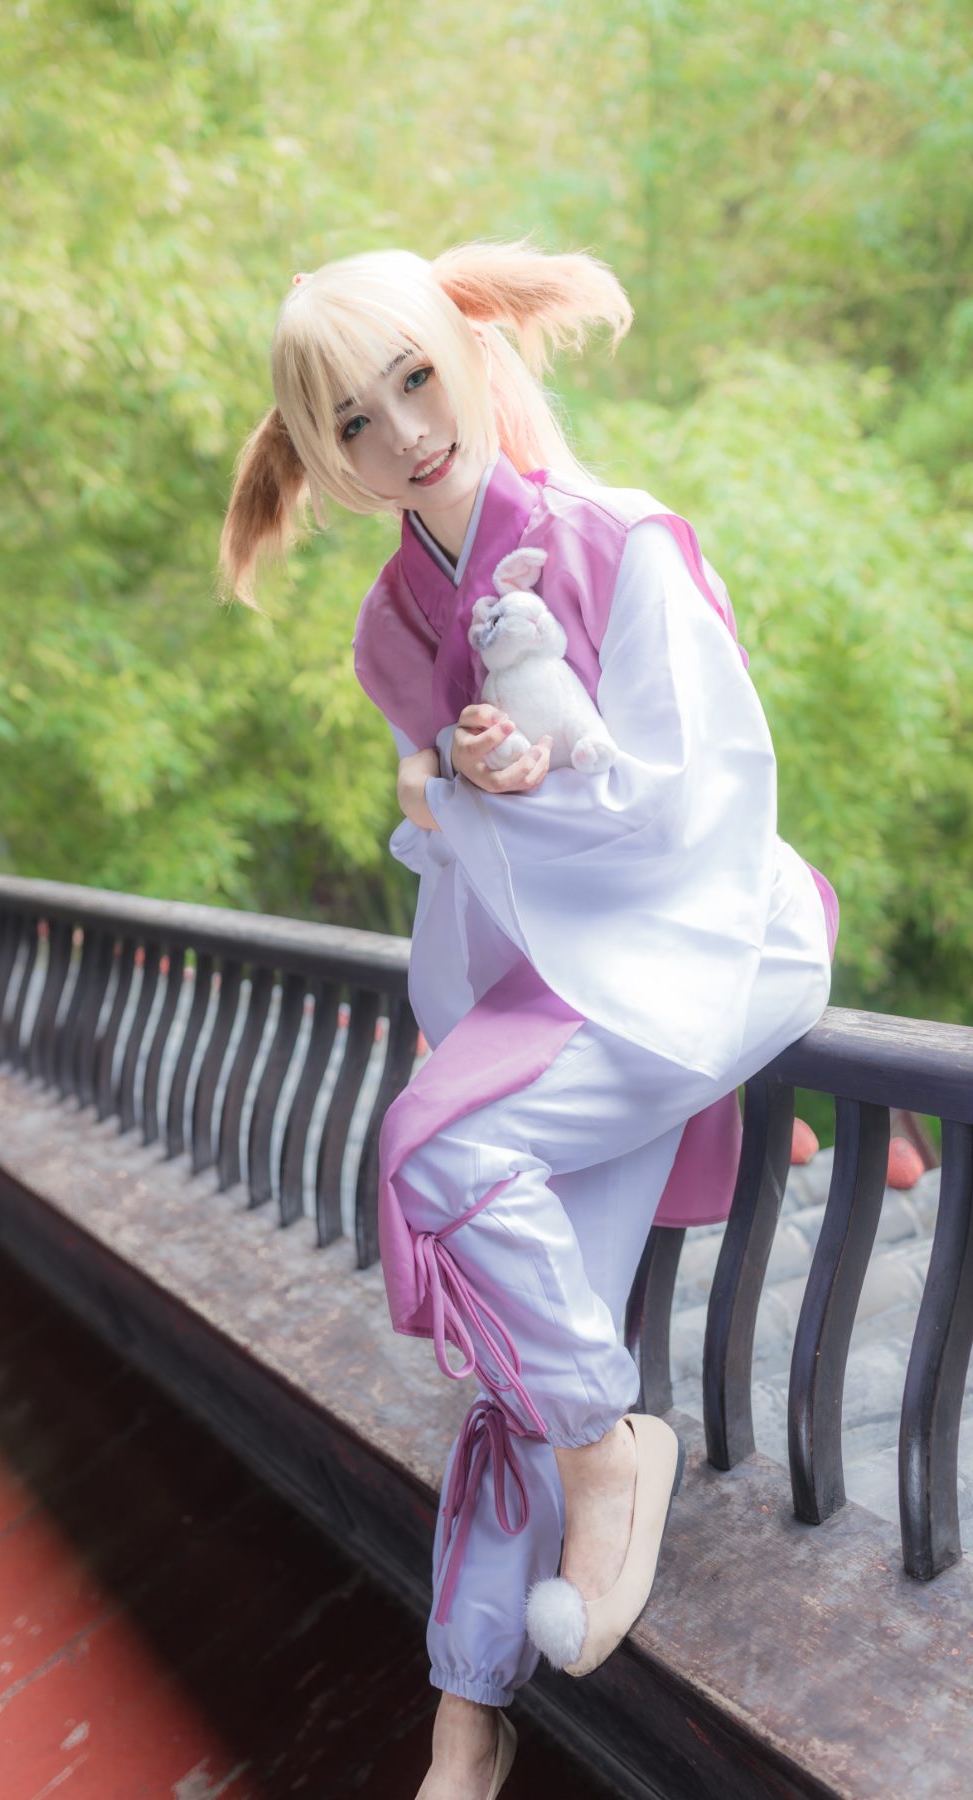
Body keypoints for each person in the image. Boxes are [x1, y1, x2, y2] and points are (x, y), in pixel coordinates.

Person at [219, 242, 838, 1800]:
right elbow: (467, 862)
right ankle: (468, 1710)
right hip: (555, 985)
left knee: (434, 1152)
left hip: (710, 940)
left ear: (468, 351)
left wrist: (524, 783)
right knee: (513, 1345)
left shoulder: (619, 539)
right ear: (329, 461)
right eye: (355, 423)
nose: (407, 433)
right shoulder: (390, 632)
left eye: (416, 379)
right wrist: (454, 796)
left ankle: (609, 1448)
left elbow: (704, 801)